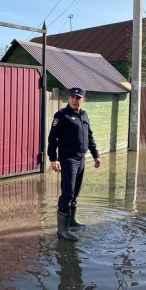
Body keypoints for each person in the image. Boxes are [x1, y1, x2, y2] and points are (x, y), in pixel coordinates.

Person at [47, 87, 101, 241]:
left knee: (76, 191)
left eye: (78, 98)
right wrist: (53, 159)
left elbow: (89, 136)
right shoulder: (61, 116)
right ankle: (62, 230)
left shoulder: (84, 115)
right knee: (68, 192)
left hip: (81, 159)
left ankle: (71, 221)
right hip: (68, 160)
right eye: (72, 97)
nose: (75, 100)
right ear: (69, 98)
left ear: (83, 100)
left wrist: (96, 155)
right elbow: (52, 139)